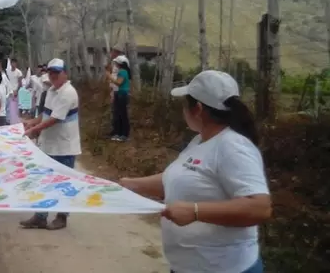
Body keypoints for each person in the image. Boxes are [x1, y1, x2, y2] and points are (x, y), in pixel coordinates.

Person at [119, 70, 271, 273]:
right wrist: (130, 185)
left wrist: (196, 211)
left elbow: (260, 207)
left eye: (185, 105)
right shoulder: (200, 140)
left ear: (198, 109)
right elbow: (176, 180)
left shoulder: (233, 147)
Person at [20, 58, 80, 231]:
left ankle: (62, 217)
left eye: (57, 72)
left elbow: (54, 119)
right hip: (48, 145)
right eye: (51, 73)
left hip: (64, 147)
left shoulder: (68, 93)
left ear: (65, 73)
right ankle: (40, 217)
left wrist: (34, 129)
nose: (53, 76)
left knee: (63, 183)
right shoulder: (52, 91)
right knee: (44, 180)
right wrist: (31, 122)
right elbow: (46, 115)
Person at [108, 55, 131, 141]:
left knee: (122, 114)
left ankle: (124, 134)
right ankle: (118, 133)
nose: (115, 64)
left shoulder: (123, 72)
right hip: (119, 93)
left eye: (116, 63)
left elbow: (119, 82)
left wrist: (109, 76)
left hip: (122, 94)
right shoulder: (122, 71)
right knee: (118, 114)